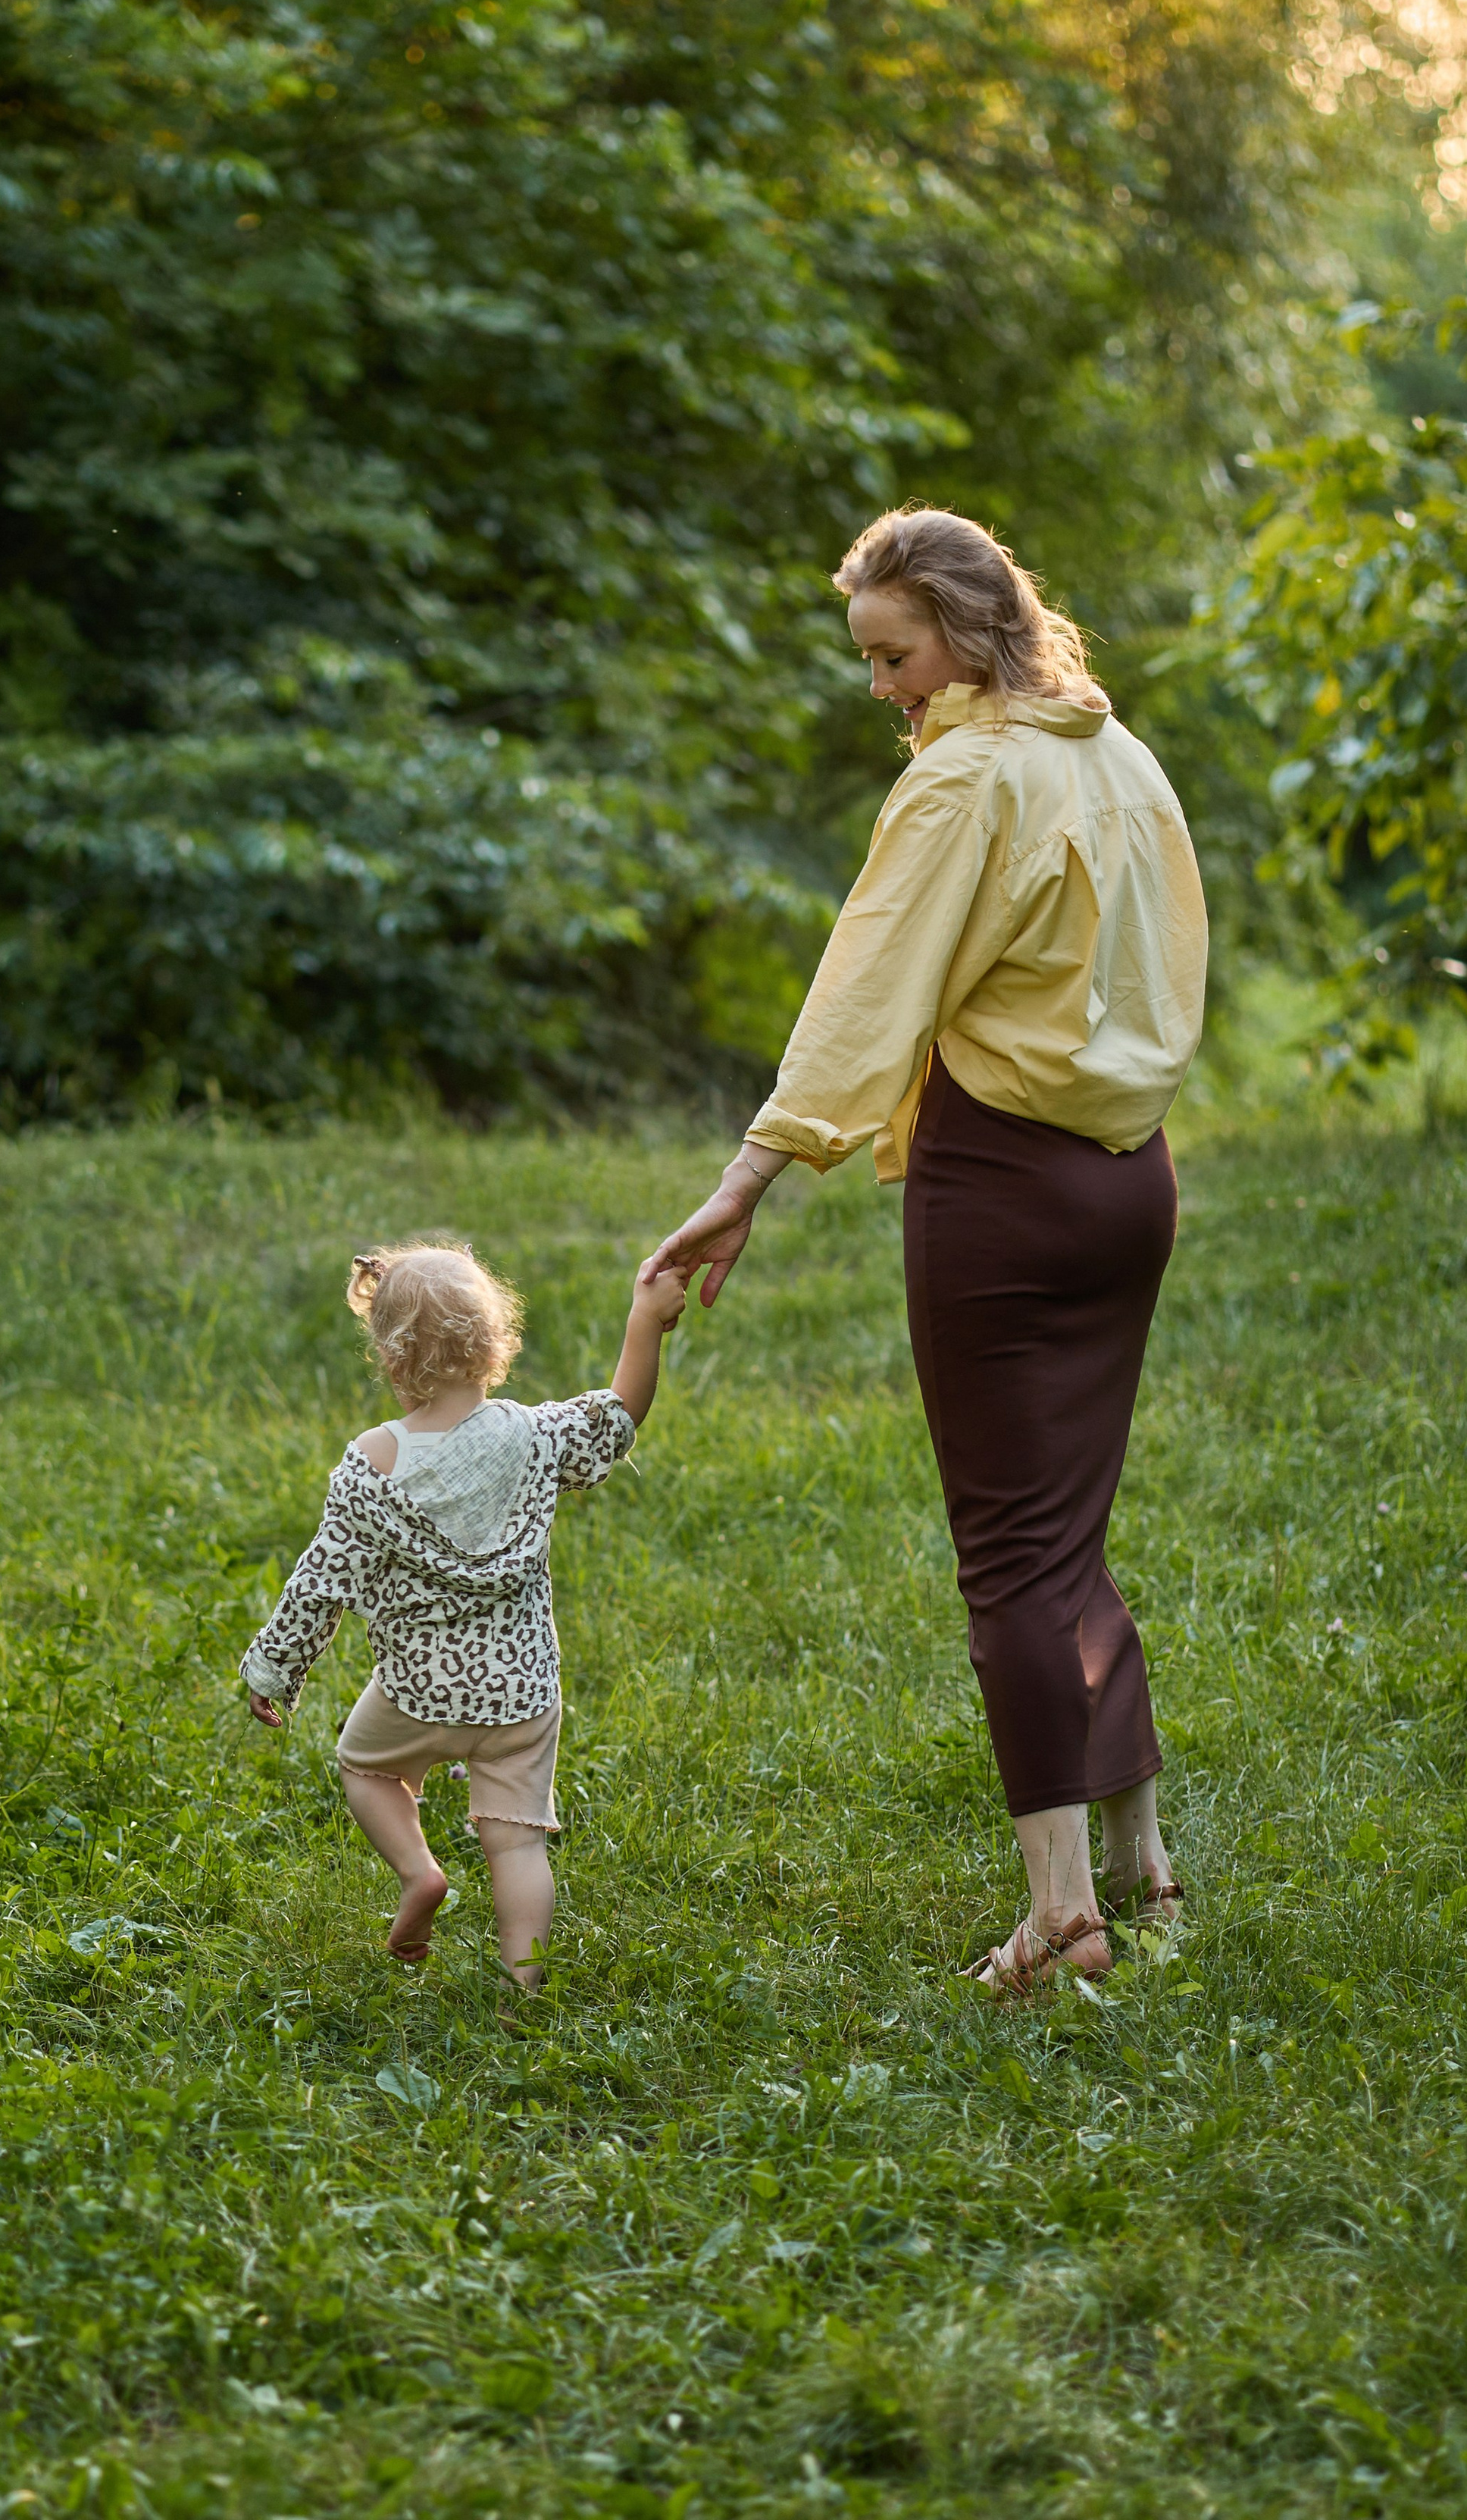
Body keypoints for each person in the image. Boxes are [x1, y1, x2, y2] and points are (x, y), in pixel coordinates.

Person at [646, 504, 1207, 1995]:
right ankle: (1143, 1865)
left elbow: (862, 999)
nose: (880, 689)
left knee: (1009, 1556)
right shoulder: (1114, 755)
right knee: (1067, 1532)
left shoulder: (962, 782)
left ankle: (1059, 1917)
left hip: (1004, 1192)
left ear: (960, 633)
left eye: (890, 657)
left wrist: (746, 1181)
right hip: (1129, 1181)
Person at [240, 1240, 689, 1989]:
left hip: (418, 1689)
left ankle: (420, 1873)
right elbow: (617, 1415)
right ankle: (527, 1993)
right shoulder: (534, 1438)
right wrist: (645, 1319)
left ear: (392, 1360)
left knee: (363, 1769)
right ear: (494, 1342)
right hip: (520, 1694)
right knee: (518, 1849)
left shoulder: (372, 1462)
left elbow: (320, 1580)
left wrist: (274, 1666)